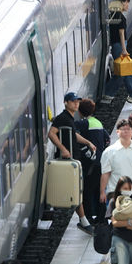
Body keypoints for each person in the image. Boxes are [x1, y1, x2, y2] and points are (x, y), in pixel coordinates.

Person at [49, 92, 97, 233]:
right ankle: (84, 221)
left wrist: (88, 142)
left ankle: (84, 220)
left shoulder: (69, 118)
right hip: (68, 160)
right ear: (66, 102)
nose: (76, 104)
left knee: (76, 189)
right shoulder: (62, 118)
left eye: (77, 102)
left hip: (74, 159)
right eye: (73, 101)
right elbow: (52, 133)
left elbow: (72, 135)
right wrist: (63, 149)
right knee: (76, 189)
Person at [100, 119, 132, 203]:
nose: (126, 131)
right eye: (123, 129)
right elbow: (105, 173)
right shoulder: (108, 152)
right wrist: (102, 192)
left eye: (129, 129)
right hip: (115, 192)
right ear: (117, 132)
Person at [76, 99, 112, 223]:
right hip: (100, 161)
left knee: (87, 190)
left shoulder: (83, 123)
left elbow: (71, 130)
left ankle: (89, 217)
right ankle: (102, 216)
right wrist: (101, 151)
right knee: (99, 189)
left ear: (79, 111)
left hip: (89, 163)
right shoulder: (97, 122)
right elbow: (107, 139)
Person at [104, 0, 132, 106]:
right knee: (126, 70)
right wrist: (124, 49)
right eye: (127, 3)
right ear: (122, 2)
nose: (128, 6)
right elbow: (121, 34)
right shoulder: (120, 16)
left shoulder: (112, 14)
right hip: (120, 46)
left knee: (122, 71)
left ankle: (113, 93)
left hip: (116, 45)